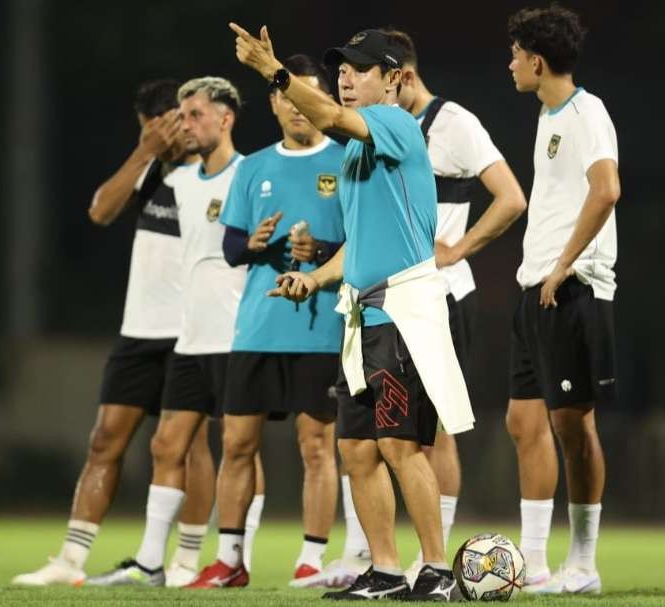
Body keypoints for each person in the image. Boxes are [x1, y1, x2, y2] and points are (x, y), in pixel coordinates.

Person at [228, 23, 473, 601]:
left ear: (394, 79)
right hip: (362, 317)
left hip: (401, 316)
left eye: (360, 68)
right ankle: (386, 570)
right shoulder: (355, 155)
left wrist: (272, 72)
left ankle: (435, 570)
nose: (345, 76)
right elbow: (356, 247)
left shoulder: (392, 123)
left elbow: (331, 119)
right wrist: (311, 278)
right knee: (356, 449)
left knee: (399, 445)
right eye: (341, 68)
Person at [12, 79, 223, 587]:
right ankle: (70, 560)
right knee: (105, 439)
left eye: (179, 120)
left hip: (191, 330)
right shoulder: (148, 171)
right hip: (139, 330)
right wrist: (143, 151)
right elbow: (101, 210)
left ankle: (186, 562)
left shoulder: (215, 173)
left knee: (188, 447)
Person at [84, 76, 260, 588]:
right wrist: (145, 153)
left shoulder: (251, 174)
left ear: (224, 118)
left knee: (237, 444)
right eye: (181, 117)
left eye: (194, 116)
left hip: (234, 332)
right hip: (190, 337)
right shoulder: (177, 180)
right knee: (167, 445)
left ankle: (230, 556)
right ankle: (151, 561)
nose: (185, 126)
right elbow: (102, 209)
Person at [188, 55, 346, 590]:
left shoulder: (347, 161)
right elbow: (232, 246)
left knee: (316, 445)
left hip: (321, 327)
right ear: (277, 103)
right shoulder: (252, 167)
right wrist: (254, 245)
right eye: (287, 95)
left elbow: (362, 246)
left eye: (309, 94)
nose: (297, 105)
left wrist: (321, 249)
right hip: (256, 326)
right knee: (235, 445)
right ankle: (229, 560)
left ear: (321, 102)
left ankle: (312, 561)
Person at [380, 27, 528, 586]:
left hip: (441, 299)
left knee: (436, 432)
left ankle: (432, 560)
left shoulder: (455, 124)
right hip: (390, 300)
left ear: (405, 76)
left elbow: (512, 196)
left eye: (379, 78)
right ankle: (382, 556)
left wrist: (459, 248)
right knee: (384, 433)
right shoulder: (384, 128)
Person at [504, 3, 621, 595]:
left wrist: (563, 266)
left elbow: (607, 191)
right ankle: (533, 562)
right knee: (524, 421)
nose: (510, 65)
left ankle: (584, 564)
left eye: (516, 56)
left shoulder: (586, 113)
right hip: (537, 290)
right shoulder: (549, 117)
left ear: (538, 60)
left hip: (571, 289)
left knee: (573, 427)